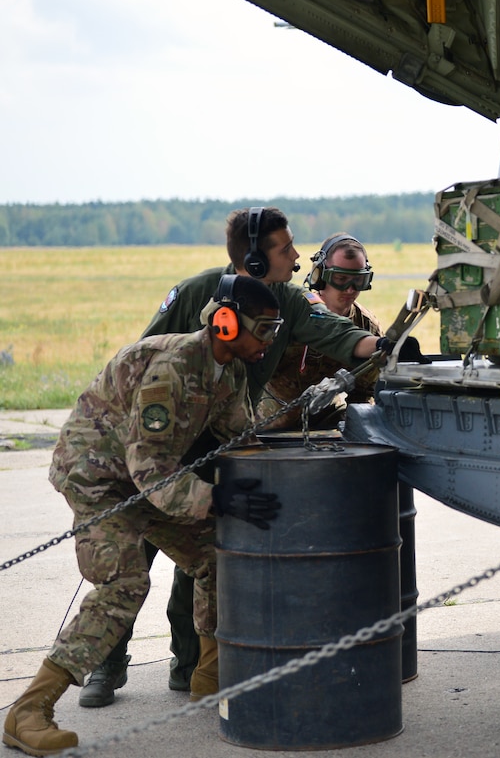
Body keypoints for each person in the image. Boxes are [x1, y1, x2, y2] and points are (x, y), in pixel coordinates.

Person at [80, 207, 427, 707]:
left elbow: (338, 334)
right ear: (254, 260)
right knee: (127, 557)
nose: (295, 255)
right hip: (155, 448)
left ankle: (188, 666)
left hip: (213, 448)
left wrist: (386, 344)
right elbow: (141, 358)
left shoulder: (290, 300)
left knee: (198, 565)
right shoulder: (199, 292)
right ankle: (106, 668)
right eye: (285, 248)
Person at [2, 275, 284, 756]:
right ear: (225, 322)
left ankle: (211, 676)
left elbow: (241, 434)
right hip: (99, 481)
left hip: (146, 480)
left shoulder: (228, 368)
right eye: (263, 328)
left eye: (274, 329)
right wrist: (218, 498)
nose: (269, 341)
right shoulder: (171, 370)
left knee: (220, 552)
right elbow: (150, 472)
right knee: (124, 584)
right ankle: (28, 711)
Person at [258, 232, 385, 431]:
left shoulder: (366, 327)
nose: (350, 289)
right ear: (319, 276)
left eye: (358, 281)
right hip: (267, 415)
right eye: (340, 279)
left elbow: (363, 394)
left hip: (325, 418)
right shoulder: (291, 311)